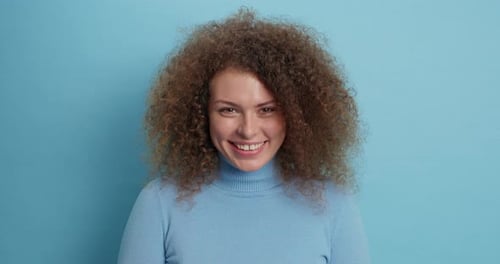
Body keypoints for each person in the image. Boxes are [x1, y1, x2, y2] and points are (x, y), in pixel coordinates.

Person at [118, 8, 370, 264]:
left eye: (267, 110)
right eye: (228, 110)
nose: (248, 130)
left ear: (295, 114)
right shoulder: (159, 204)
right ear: (200, 114)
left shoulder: (335, 206)